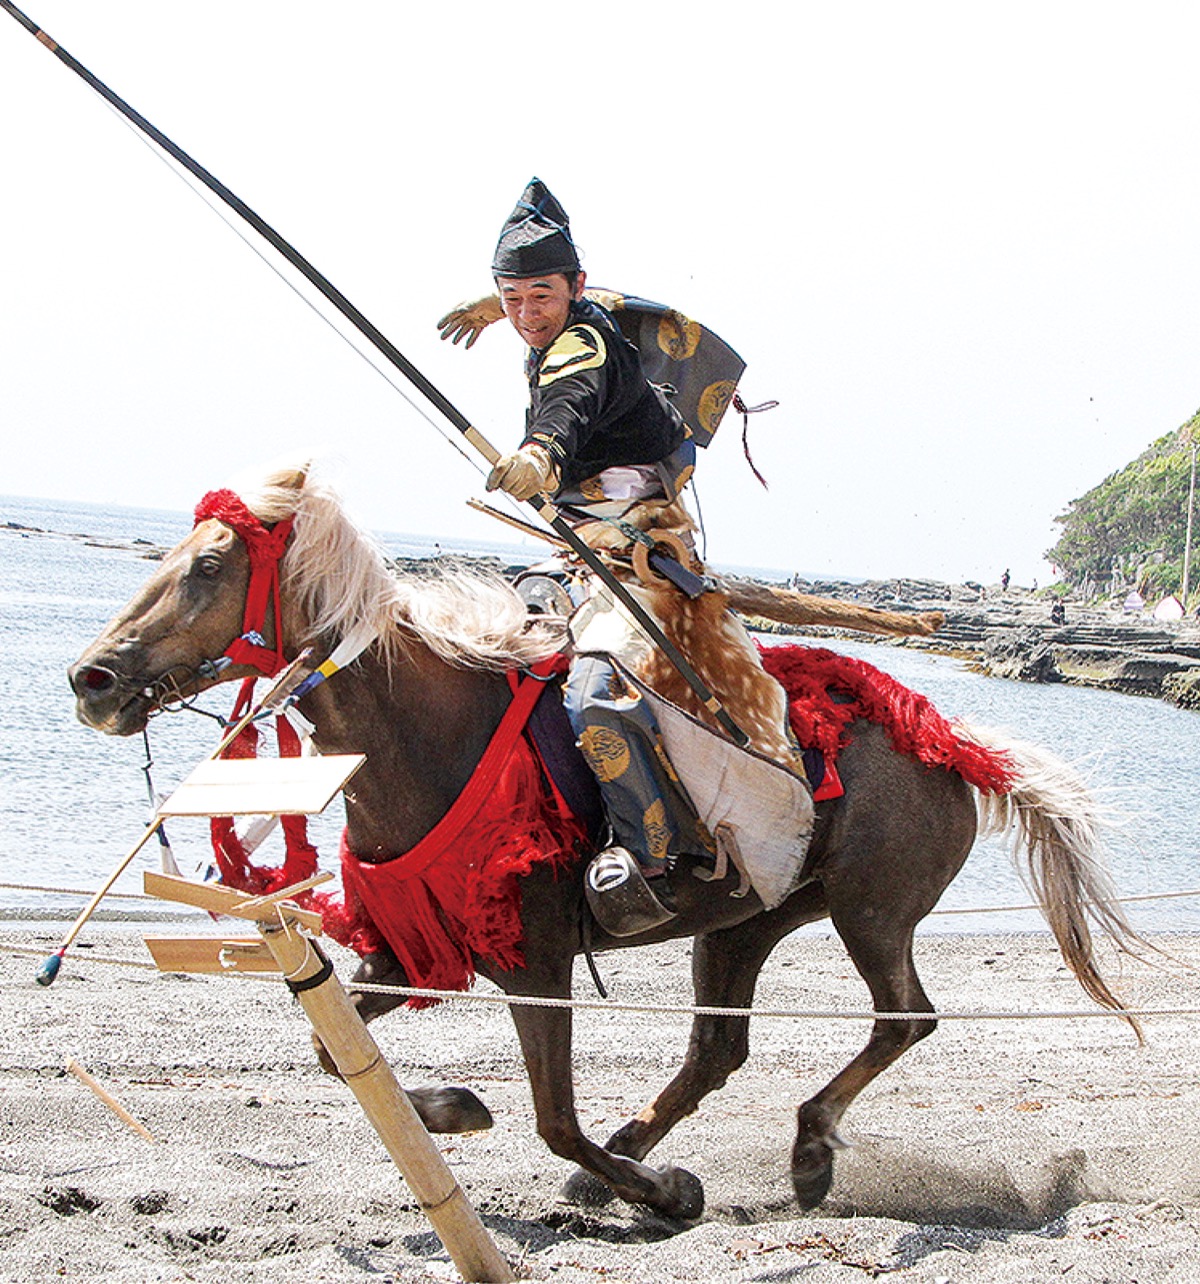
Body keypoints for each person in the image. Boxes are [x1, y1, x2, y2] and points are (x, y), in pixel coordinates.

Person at [437, 178, 803, 932]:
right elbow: (563, 303)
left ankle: (648, 856)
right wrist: (492, 305)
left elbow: (568, 405)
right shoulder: (566, 311)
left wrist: (538, 457)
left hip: (640, 544)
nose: (526, 315)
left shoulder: (583, 343)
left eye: (540, 296)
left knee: (597, 689)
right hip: (581, 545)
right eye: (512, 298)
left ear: (574, 288)